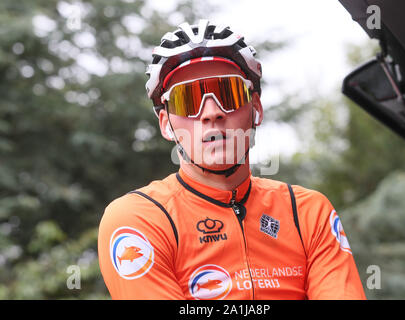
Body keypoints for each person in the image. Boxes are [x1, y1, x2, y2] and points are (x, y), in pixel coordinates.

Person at [98, 19, 366, 300]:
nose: (211, 112)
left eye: (229, 92)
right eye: (187, 99)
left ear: (256, 109)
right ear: (166, 124)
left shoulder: (308, 212)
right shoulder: (139, 218)